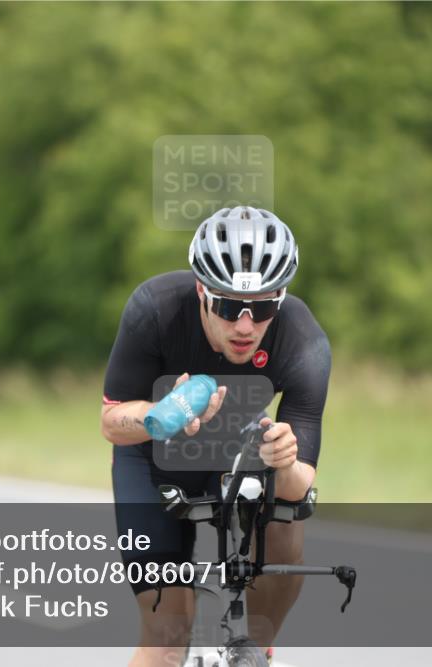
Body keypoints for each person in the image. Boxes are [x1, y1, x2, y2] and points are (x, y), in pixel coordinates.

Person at [101, 206, 331, 666]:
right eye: (229, 307)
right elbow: (109, 422)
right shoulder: (155, 310)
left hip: (236, 448)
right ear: (202, 291)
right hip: (152, 456)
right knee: (167, 635)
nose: (245, 327)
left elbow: (300, 482)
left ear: (281, 298)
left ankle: (255, 648)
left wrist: (285, 461)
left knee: (288, 513)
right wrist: (155, 417)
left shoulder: (302, 341)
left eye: (263, 308)